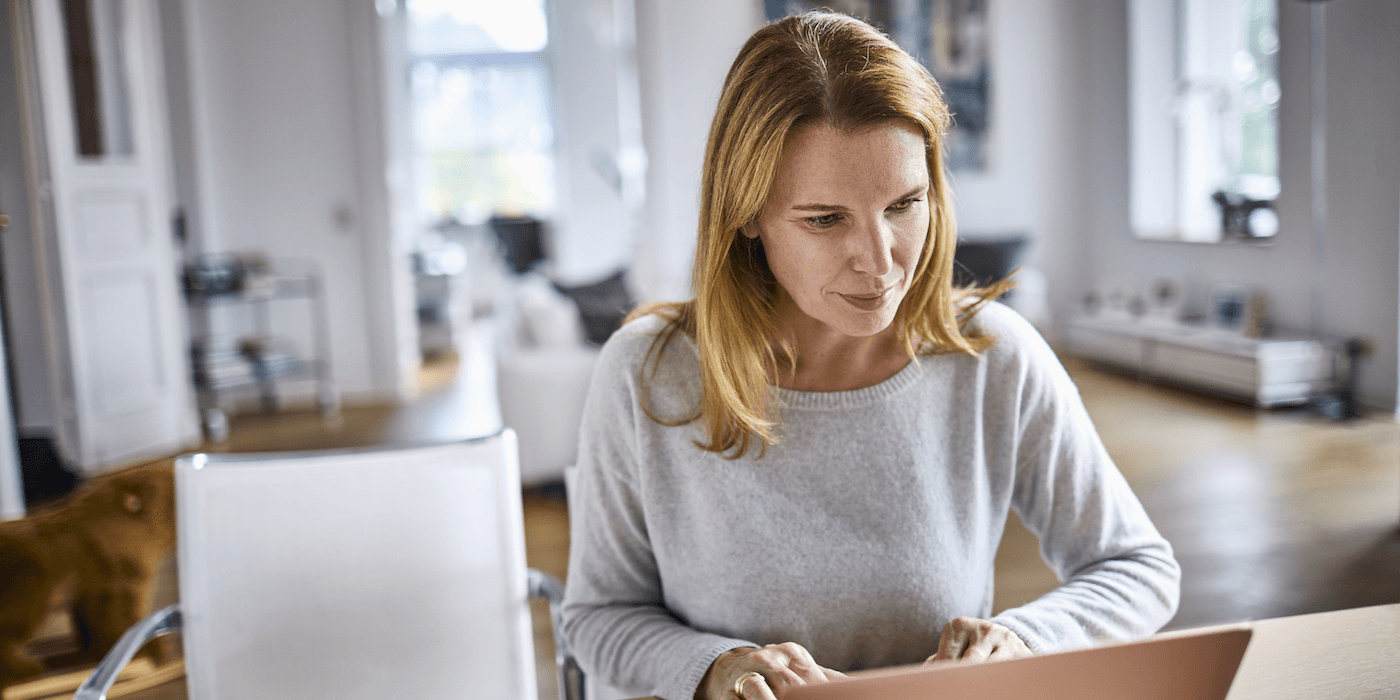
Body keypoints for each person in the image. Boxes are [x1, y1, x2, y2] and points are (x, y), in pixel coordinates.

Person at [560, 11, 1180, 700]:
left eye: (905, 203)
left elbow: (1137, 566)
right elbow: (597, 617)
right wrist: (719, 670)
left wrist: (1027, 642)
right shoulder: (647, 374)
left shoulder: (994, 357)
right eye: (825, 219)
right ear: (747, 214)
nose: (882, 262)